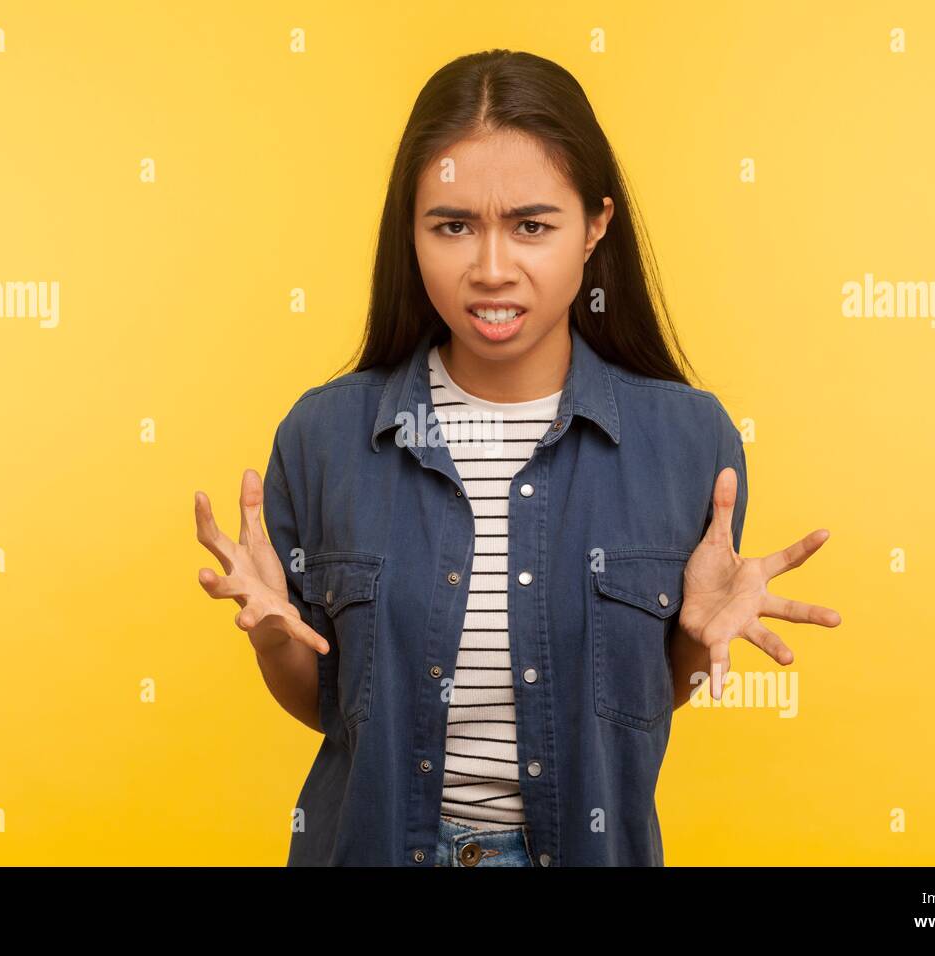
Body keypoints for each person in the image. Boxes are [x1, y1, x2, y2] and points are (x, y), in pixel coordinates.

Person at [194, 49, 841, 866]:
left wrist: (689, 642)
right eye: (453, 225)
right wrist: (272, 640)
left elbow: (636, 708)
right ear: (412, 227)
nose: (491, 270)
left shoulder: (690, 445)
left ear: (596, 226)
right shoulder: (324, 436)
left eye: (532, 225)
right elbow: (326, 702)